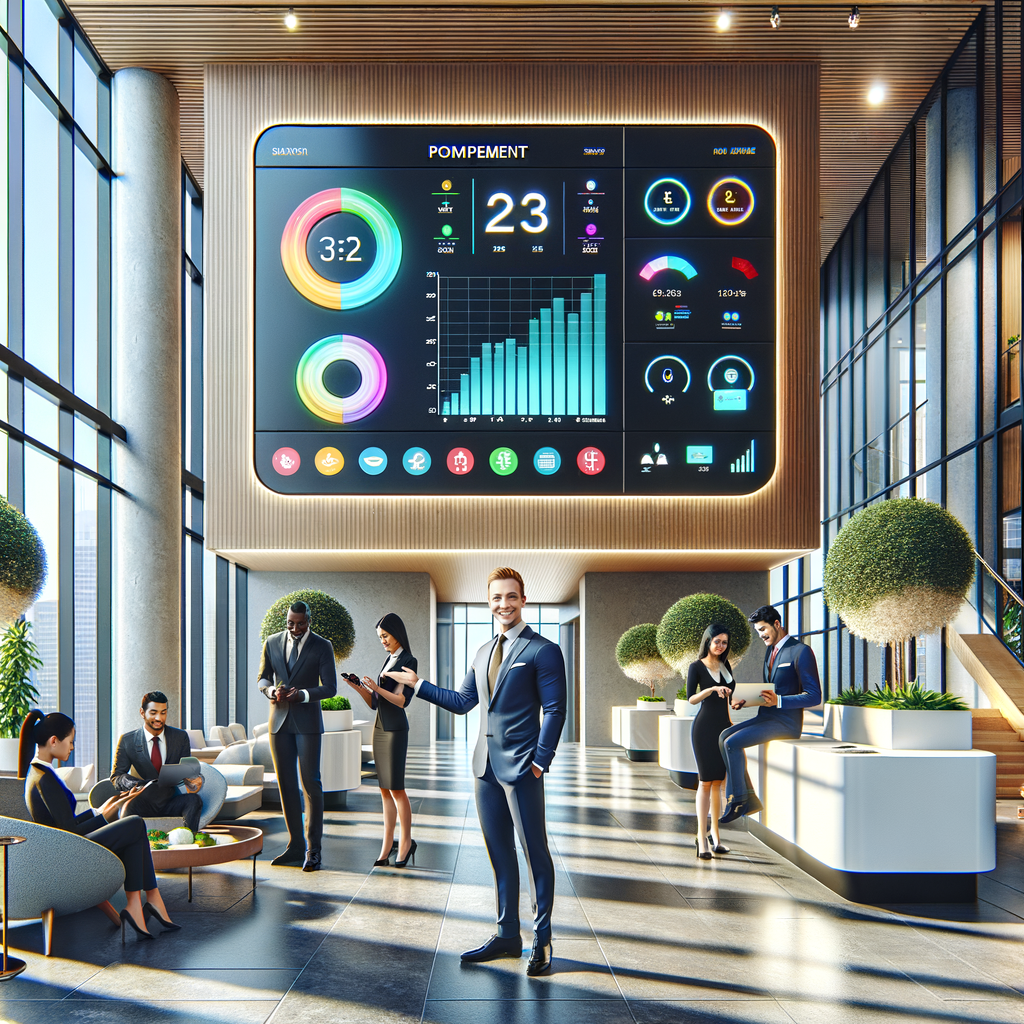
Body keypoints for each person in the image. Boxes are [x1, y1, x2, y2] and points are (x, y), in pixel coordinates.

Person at [387, 567, 566, 976]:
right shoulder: (483, 650)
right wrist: (419, 685)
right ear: (489, 603)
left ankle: (542, 937)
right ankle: (507, 934)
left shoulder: (543, 650)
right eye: (496, 598)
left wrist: (540, 761)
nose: (503, 604)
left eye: (511, 597)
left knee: (533, 851)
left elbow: (556, 710)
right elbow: (464, 700)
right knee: (499, 853)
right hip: (484, 767)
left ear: (523, 600)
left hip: (523, 769)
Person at [20, 710, 181, 941]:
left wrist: (101, 808)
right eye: (71, 741)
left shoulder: (39, 773)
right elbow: (68, 833)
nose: (72, 747)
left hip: (64, 847)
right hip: (67, 854)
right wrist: (104, 817)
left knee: (133, 830)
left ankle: (138, 905)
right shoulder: (45, 778)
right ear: (54, 741)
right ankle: (147, 901)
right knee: (134, 824)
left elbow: (65, 824)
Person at [718, 604, 822, 823]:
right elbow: (770, 691)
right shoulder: (771, 651)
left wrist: (780, 701)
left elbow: (814, 696)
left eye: (763, 629)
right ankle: (750, 798)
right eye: (758, 632)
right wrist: (746, 702)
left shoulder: (801, 651)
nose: (761, 635)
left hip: (786, 723)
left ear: (777, 624)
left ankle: (737, 800)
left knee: (732, 743)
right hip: (766, 717)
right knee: (723, 736)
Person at [257, 599, 338, 871]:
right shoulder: (271, 642)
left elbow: (330, 688)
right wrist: (270, 691)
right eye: (291, 623)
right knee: (286, 785)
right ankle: (294, 847)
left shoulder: (323, 646)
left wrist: (302, 695)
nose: (295, 628)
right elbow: (262, 678)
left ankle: (314, 850)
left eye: (300, 624)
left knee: (310, 784)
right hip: (278, 721)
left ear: (309, 621)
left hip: (308, 723)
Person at [343, 612, 418, 868]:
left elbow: (401, 701)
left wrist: (377, 688)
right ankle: (386, 845)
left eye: (385, 636)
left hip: (396, 729)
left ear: (397, 633)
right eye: (380, 637)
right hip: (380, 728)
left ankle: (406, 842)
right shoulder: (388, 660)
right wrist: (359, 687)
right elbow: (376, 704)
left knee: (396, 788)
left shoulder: (409, 660)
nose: (383, 641)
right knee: (384, 789)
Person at [110, 690, 204, 833]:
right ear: (142, 712)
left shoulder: (180, 737)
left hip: (170, 800)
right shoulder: (128, 741)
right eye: (153, 713)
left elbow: (188, 771)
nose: (159, 718)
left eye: (163, 712)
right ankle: (131, 851)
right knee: (128, 808)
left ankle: (189, 843)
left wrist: (195, 781)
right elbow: (116, 777)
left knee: (195, 800)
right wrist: (133, 783)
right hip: (143, 800)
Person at [686, 623, 735, 859]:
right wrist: (711, 690)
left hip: (724, 727)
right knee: (705, 782)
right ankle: (701, 837)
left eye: (725, 642)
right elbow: (691, 699)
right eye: (717, 641)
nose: (721, 646)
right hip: (704, 728)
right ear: (708, 641)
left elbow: (731, 695)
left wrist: (736, 702)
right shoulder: (696, 666)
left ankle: (716, 835)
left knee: (719, 783)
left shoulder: (726, 666)